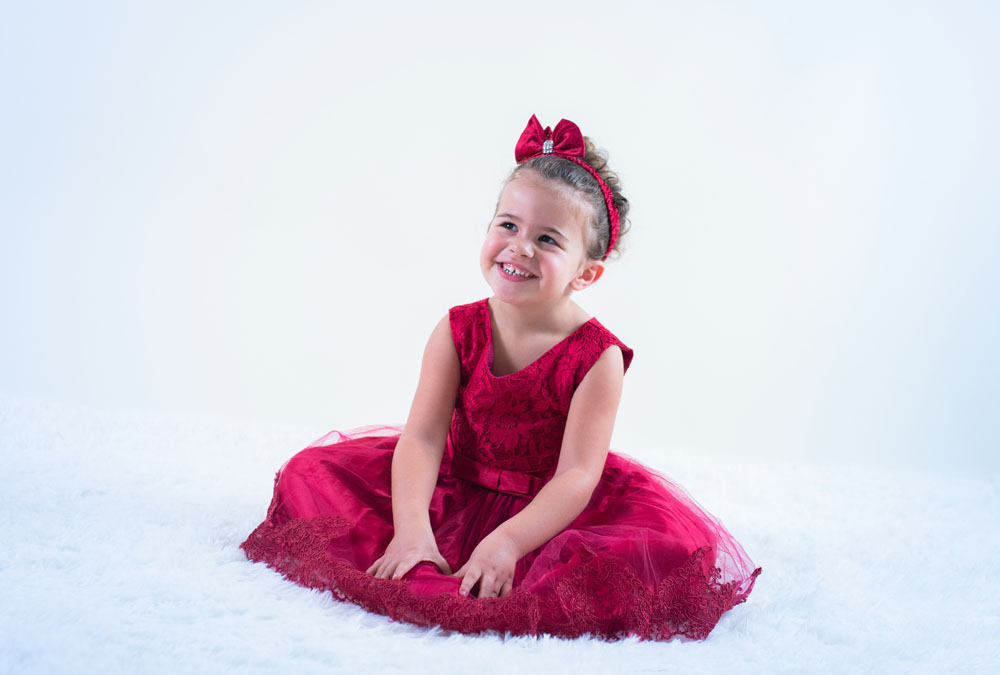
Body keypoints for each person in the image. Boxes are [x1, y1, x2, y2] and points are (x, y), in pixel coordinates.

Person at [240, 114, 761, 641]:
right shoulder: (457, 328)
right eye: (508, 225)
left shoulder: (596, 358)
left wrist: (509, 541)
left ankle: (503, 554)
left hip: (547, 505)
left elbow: (577, 476)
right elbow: (421, 437)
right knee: (314, 475)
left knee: (648, 559)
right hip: (452, 483)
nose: (520, 247)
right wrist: (413, 528)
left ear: (586, 273)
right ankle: (420, 548)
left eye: (548, 239)